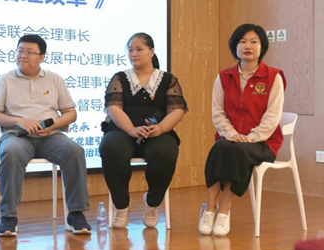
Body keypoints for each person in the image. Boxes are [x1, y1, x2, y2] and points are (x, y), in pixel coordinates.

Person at [0, 34, 91, 236]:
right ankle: (8, 216)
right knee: (11, 152)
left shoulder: (54, 79)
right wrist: (19, 121)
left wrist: (52, 126)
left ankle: (76, 214)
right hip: (17, 135)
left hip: (50, 137)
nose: (23, 56)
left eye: (29, 52)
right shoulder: (5, 80)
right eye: (20, 51)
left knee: (74, 151)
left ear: (42, 57)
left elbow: (71, 113)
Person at [199, 24, 285, 237]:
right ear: (234, 46)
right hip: (230, 139)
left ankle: (224, 210)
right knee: (220, 148)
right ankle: (210, 207)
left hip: (263, 143)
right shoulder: (224, 77)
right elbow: (217, 112)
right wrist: (231, 134)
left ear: (262, 47)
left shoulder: (273, 77)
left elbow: (272, 116)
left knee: (236, 151)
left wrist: (252, 137)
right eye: (242, 41)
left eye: (254, 42)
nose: (248, 46)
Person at [99, 32, 188, 229]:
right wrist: (131, 129)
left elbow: (177, 110)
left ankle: (152, 203)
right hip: (123, 130)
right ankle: (122, 205)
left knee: (165, 152)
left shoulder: (168, 79)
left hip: (157, 132)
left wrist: (161, 128)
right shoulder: (120, 78)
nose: (134, 54)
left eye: (139, 49)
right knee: (111, 147)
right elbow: (113, 108)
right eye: (130, 50)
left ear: (151, 52)